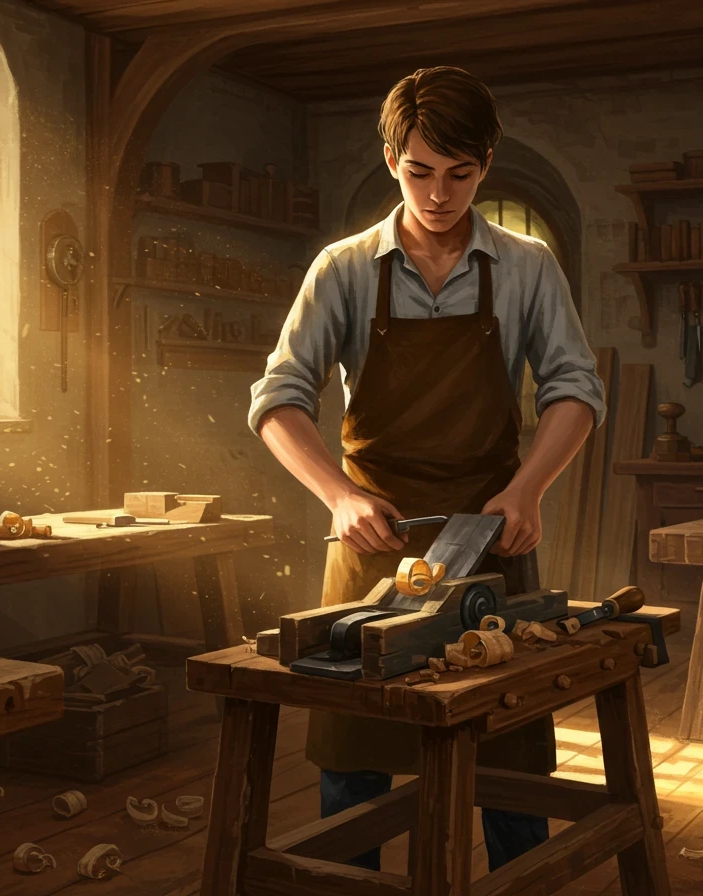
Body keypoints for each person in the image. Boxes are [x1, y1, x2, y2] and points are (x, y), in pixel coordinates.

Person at [247, 65, 606, 872]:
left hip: (493, 540)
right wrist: (336, 495)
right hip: (374, 541)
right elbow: (278, 398)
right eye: (419, 172)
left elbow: (576, 389)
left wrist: (528, 490)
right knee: (353, 760)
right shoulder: (341, 269)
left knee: (510, 762)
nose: (439, 194)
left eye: (460, 174)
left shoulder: (527, 266)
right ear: (389, 160)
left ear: (484, 165)